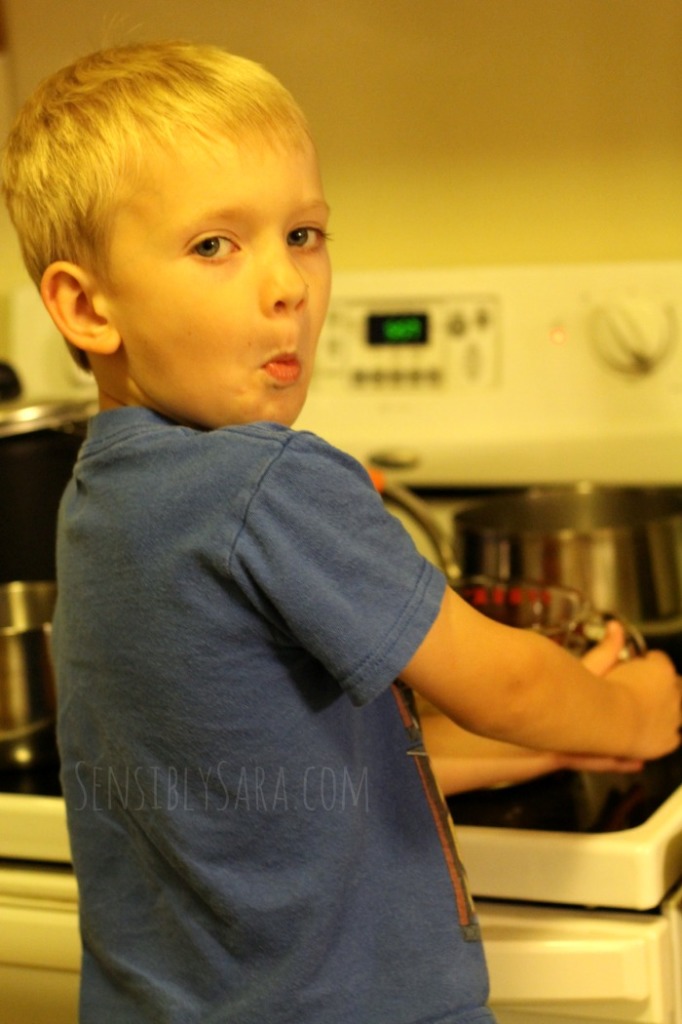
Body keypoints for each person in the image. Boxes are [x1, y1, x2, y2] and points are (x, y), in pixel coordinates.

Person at [2, 40, 679, 1024]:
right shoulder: (270, 482)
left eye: (304, 234)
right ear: (85, 304)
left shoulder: (102, 498)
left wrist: (537, 747)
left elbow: (283, 775)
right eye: (214, 245)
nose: (286, 284)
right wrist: (631, 714)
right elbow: (509, 679)